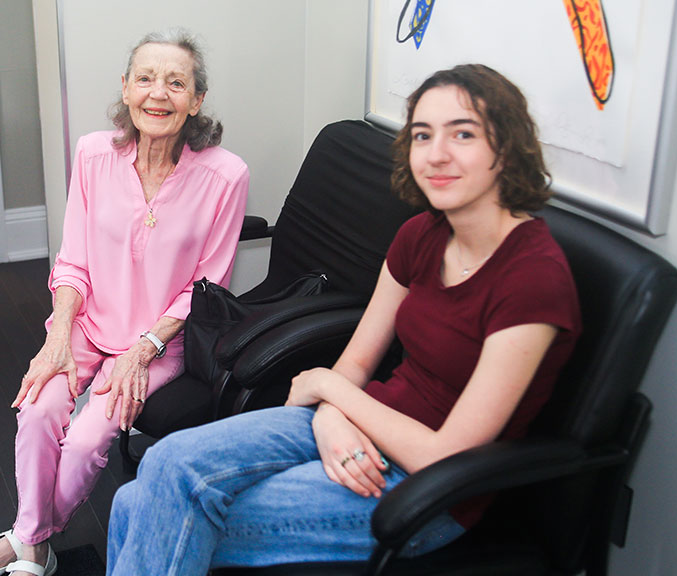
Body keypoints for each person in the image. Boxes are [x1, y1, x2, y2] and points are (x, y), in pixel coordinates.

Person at [106, 63, 582, 574]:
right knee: (157, 470)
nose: (437, 153)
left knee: (148, 507)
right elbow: (355, 363)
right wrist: (334, 412)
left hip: (427, 491)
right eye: (422, 135)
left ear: (507, 148)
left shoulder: (533, 279)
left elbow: (445, 455)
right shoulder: (420, 234)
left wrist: (328, 391)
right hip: (356, 422)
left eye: (462, 134)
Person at [0, 30, 248, 576]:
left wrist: (144, 348)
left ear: (196, 100)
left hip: (161, 340)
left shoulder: (226, 175)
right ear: (126, 88)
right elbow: (73, 261)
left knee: (91, 436)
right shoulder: (93, 153)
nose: (158, 94)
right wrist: (57, 338)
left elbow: (207, 287)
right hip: (88, 323)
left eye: (176, 83)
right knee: (38, 407)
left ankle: (26, 543)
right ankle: (34, 544)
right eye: (145, 78)